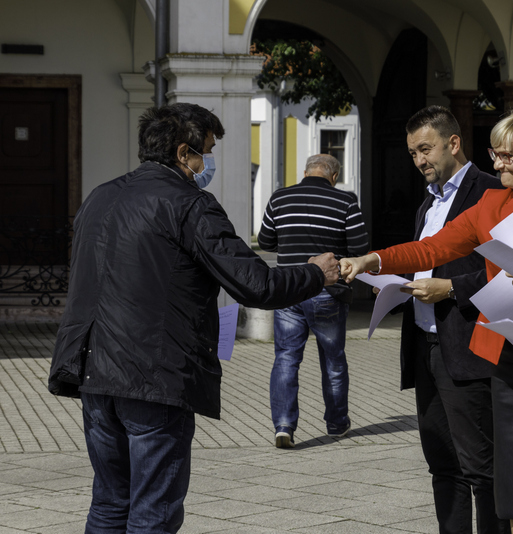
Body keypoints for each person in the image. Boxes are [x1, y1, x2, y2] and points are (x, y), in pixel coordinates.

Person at [48, 103, 339, 533]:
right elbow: (255, 284)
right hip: (153, 377)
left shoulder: (99, 196)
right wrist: (315, 273)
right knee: (153, 512)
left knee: (109, 503)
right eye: (208, 152)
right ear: (184, 153)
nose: (209, 164)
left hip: (93, 370)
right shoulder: (189, 204)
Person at [342, 106, 513, 534]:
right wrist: (374, 259)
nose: (497, 165)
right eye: (495, 154)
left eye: (507, 156)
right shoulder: (492, 204)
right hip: (502, 358)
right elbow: (433, 248)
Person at [395, 105, 507, 534]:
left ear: (453, 143)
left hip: (468, 345)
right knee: (442, 463)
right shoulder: (429, 202)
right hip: (425, 343)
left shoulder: (491, 192)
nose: (419, 160)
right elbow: (427, 260)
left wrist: (452, 288)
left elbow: (510, 270)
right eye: (412, 153)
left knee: (481, 467)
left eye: (425, 149)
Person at [257, 154, 369, 448]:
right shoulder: (345, 202)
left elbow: (266, 241)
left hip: (288, 289)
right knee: (333, 360)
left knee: (285, 358)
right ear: (334, 177)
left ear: (306, 172)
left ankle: (283, 425)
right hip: (327, 291)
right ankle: (337, 423)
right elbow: (360, 247)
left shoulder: (279, 198)